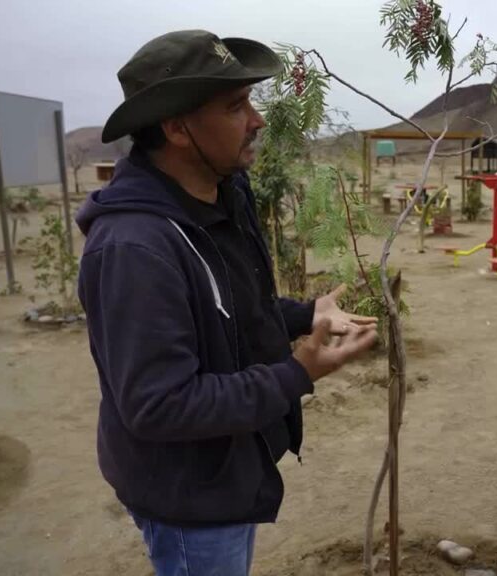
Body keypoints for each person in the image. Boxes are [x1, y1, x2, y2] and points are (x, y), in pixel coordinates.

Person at [75, 30, 378, 576]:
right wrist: (298, 372)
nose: (257, 120)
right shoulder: (135, 248)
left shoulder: (223, 194)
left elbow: (231, 310)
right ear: (177, 129)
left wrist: (306, 314)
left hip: (228, 466)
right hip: (189, 493)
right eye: (236, 106)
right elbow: (160, 404)